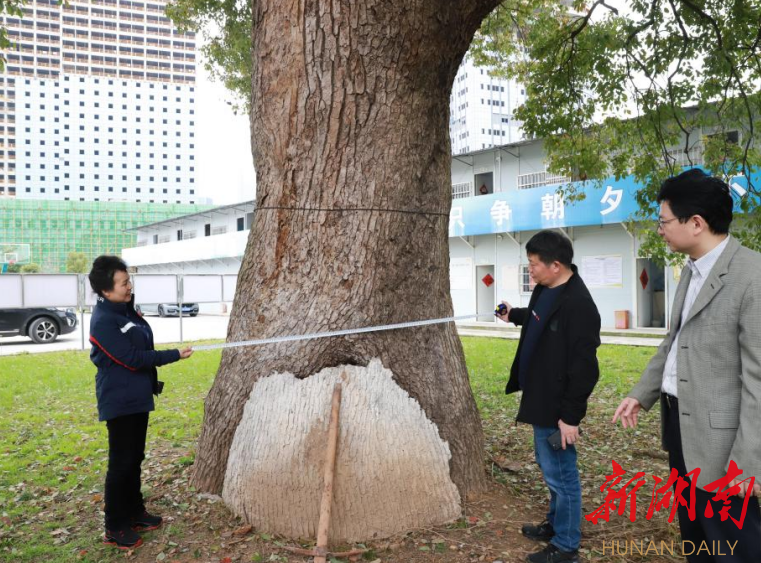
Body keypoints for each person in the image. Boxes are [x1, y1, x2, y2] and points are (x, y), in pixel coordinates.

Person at [613, 169, 761, 562]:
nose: (659, 229)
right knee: (696, 537)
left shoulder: (751, 276)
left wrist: (748, 466)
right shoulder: (690, 271)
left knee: (733, 545)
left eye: (664, 221)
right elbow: (674, 342)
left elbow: (758, 382)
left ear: (696, 223)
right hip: (680, 427)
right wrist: (640, 395)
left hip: (725, 447)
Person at [497, 229, 601, 563]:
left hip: (558, 407)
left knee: (562, 474)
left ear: (555, 265)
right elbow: (539, 321)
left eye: (533, 264)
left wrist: (571, 418)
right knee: (549, 466)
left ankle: (566, 546)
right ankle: (556, 524)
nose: (531, 270)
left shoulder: (580, 306)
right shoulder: (545, 290)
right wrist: (514, 315)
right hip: (540, 397)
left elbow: (585, 370)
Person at [88, 255, 193, 550]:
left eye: (128, 280)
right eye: (123, 283)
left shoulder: (126, 311)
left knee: (135, 458)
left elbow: (142, 343)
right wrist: (174, 355)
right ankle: (114, 526)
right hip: (119, 401)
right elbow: (133, 359)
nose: (129, 286)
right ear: (106, 290)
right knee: (120, 463)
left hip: (138, 398)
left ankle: (135, 512)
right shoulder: (104, 321)